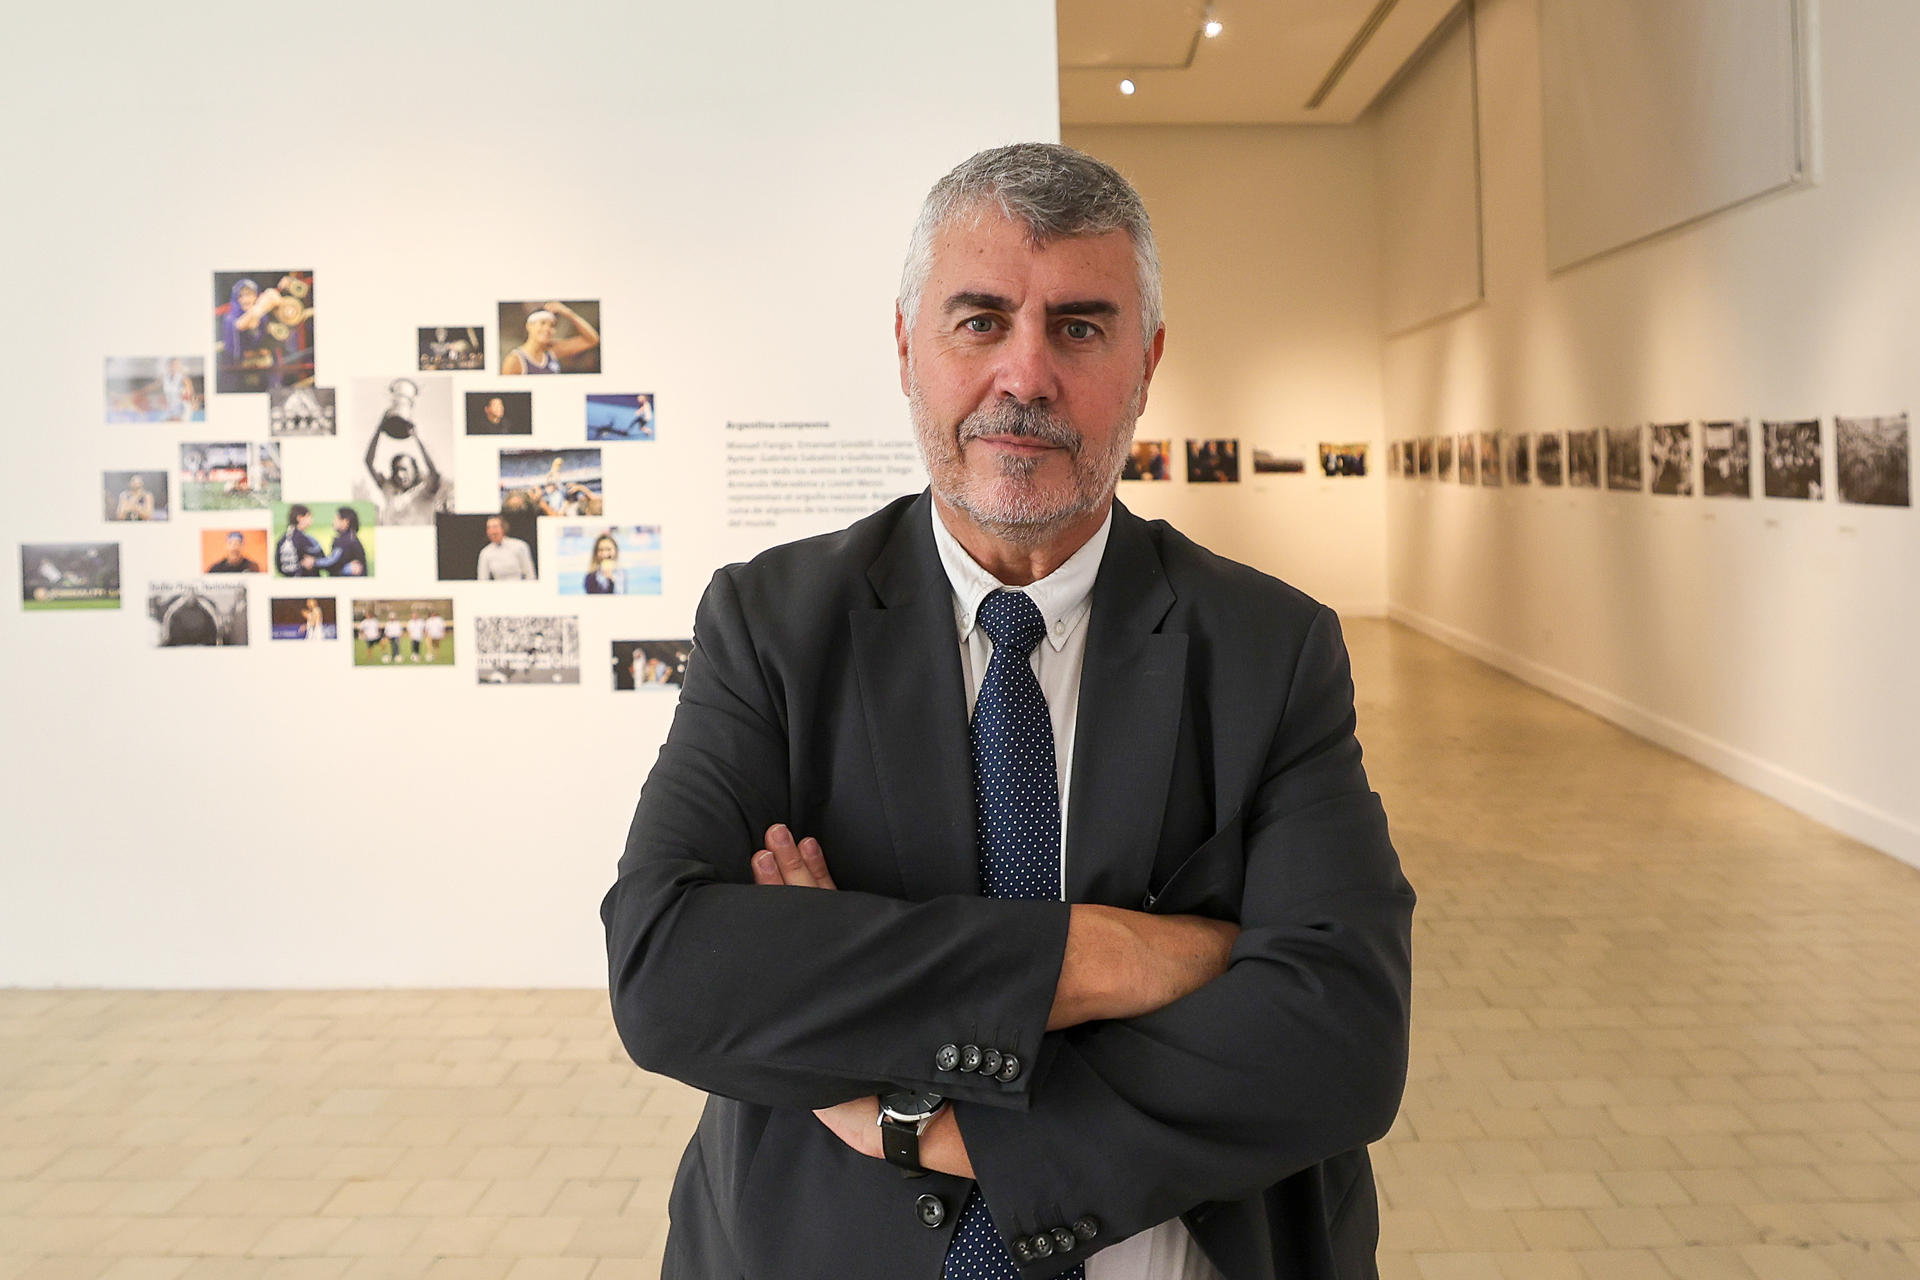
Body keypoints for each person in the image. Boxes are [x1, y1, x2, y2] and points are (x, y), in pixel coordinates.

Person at [601, 144, 1414, 1280]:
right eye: (980, 322)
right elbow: (669, 971)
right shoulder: (773, 624)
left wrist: (924, 1111)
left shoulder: (1268, 649)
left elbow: (1341, 1041)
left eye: (1080, 327)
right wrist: (1119, 955)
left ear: (1147, 361)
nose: (1025, 375)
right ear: (906, 348)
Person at [502, 300, 599, 375]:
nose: (547, 329)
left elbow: (592, 340)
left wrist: (568, 313)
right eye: (542, 323)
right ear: (529, 326)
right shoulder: (514, 361)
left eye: (552, 325)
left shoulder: (553, 350)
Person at [475, 514, 535, 581]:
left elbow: (530, 575)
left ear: (503, 528)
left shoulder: (520, 546)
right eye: (489, 528)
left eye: (495, 527)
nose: (492, 531)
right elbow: (482, 579)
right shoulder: (485, 553)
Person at [314, 507, 368, 577]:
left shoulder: (345, 541)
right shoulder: (352, 538)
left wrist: (314, 562)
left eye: (336, 519)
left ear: (346, 521)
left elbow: (332, 562)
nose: (333, 522)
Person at [276, 504, 323, 576]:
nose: (311, 520)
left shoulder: (282, 539)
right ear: (299, 518)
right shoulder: (305, 539)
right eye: (308, 516)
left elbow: (279, 566)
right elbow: (321, 558)